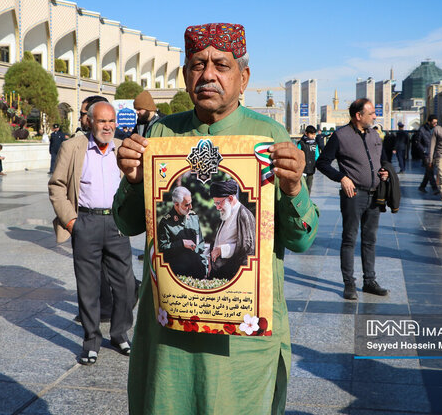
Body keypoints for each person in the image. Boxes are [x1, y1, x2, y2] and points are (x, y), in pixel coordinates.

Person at [113, 22, 319, 414]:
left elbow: (302, 239)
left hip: (240, 339)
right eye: (197, 64)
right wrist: (131, 179)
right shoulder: (161, 134)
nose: (208, 74)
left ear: (243, 78)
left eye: (221, 65)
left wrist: (294, 189)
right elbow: (128, 224)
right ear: (186, 75)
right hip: (169, 330)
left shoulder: (270, 137)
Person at [48, 101, 135, 365]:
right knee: (88, 287)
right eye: (102, 121)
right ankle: (91, 341)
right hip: (86, 222)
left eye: (111, 121)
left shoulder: (123, 148)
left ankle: (120, 333)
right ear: (90, 121)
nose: (107, 126)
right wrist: (72, 222)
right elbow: (57, 186)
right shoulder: (72, 147)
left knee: (126, 285)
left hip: (117, 224)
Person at [316, 98, 390, 300]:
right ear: (359, 116)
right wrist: (342, 178)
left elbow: (380, 160)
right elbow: (322, 163)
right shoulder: (340, 136)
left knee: (370, 240)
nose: (375, 116)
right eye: (371, 113)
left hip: (375, 195)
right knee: (349, 239)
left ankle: (370, 281)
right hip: (353, 195)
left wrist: (384, 171)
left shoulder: (375, 134)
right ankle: (349, 283)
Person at [208, 179, 256, 280]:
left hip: (233, 274)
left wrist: (222, 250)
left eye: (218, 203)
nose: (217, 207)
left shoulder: (244, 215)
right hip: (219, 271)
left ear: (230, 198)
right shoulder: (227, 212)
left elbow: (248, 247)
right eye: (215, 204)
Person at [157, 186, 207, 279]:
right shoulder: (166, 223)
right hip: (178, 275)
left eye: (190, 203)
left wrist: (205, 268)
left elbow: (201, 245)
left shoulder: (194, 217)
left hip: (197, 273)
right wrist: (181, 244)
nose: (191, 207)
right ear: (176, 205)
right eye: (187, 205)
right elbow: (162, 249)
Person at [417, 115, 439, 194]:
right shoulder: (422, 130)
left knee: (429, 171)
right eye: (433, 123)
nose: (435, 124)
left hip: (435, 153)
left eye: (436, 122)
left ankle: (422, 186)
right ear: (429, 122)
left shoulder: (437, 129)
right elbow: (418, 142)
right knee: (430, 170)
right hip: (426, 154)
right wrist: (424, 150)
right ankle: (434, 188)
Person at [297, 125, 319, 194]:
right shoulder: (301, 143)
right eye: (311, 134)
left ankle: (307, 201)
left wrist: (317, 164)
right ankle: (302, 201)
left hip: (311, 169)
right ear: (306, 133)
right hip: (302, 170)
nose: (313, 136)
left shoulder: (315, 144)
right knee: (302, 187)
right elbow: (298, 155)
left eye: (314, 134)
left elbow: (317, 155)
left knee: (309, 186)